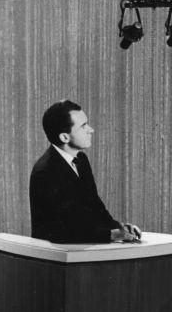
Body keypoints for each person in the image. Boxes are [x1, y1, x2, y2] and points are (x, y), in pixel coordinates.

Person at [29, 100, 141, 243]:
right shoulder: (45, 171)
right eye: (83, 126)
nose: (91, 130)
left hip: (80, 249)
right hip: (56, 256)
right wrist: (112, 235)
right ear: (64, 137)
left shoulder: (81, 160)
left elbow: (95, 206)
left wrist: (119, 227)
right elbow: (60, 231)